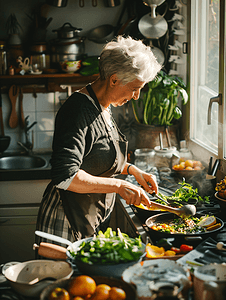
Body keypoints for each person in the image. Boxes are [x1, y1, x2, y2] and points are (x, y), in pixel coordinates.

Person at [36, 35, 162, 244]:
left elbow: (98, 157)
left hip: (86, 218)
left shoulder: (104, 106)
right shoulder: (77, 111)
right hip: (65, 221)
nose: (137, 96)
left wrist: (133, 170)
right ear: (114, 79)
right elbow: (65, 176)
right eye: (134, 88)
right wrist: (119, 187)